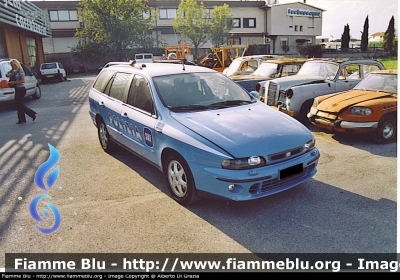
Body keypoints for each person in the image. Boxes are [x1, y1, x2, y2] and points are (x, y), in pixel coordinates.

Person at [8, 59, 37, 124]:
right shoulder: (14, 71)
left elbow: (23, 81)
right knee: (18, 105)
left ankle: (32, 114)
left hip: (21, 89)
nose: (13, 66)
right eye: (11, 65)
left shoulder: (20, 71)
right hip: (17, 89)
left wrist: (14, 82)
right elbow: (8, 75)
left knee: (18, 104)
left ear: (16, 64)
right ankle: (21, 119)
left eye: (13, 65)